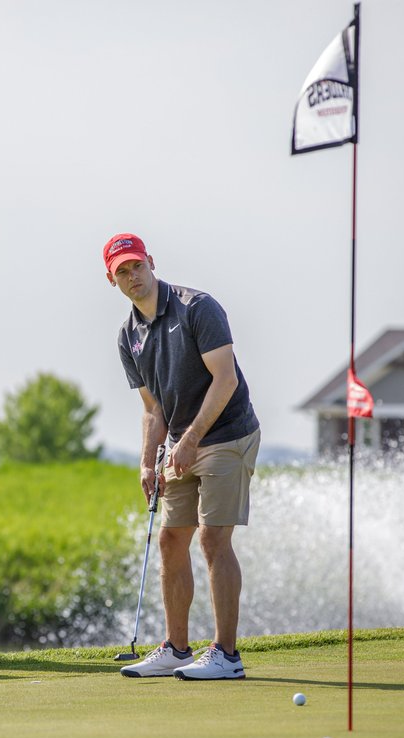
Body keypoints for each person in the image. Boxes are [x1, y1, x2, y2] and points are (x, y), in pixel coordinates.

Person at [104, 232, 260, 680]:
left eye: (137, 265)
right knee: (171, 540)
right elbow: (152, 409)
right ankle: (175, 647)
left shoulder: (198, 308)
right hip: (181, 444)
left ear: (151, 261)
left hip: (228, 432)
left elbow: (225, 379)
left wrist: (190, 439)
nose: (133, 276)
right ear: (111, 280)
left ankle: (227, 656)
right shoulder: (128, 336)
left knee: (213, 539)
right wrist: (147, 460)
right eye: (122, 272)